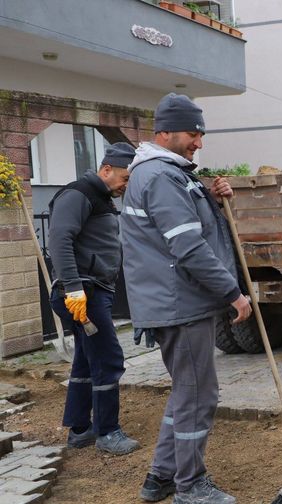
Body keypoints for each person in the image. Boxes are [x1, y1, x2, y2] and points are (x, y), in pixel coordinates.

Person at [121, 93, 251, 504]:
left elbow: (180, 225)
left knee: (186, 391)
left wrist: (211, 201)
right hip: (180, 305)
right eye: (194, 133)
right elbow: (188, 247)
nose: (199, 141)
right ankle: (190, 485)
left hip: (175, 302)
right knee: (198, 394)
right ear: (167, 132)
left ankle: (161, 477)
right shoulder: (161, 176)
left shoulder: (172, 174)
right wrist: (233, 293)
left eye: (201, 133)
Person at [47, 143, 141, 455]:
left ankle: (79, 429)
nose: (127, 184)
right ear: (106, 170)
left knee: (88, 358)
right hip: (82, 293)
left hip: (90, 290)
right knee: (109, 358)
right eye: (125, 177)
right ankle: (107, 431)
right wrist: (74, 288)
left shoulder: (100, 197)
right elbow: (60, 238)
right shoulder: (80, 193)